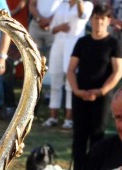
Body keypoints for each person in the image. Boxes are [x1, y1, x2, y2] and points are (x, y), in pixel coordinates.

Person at [66, 3, 122, 170]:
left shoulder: (113, 43)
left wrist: (101, 92)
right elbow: (71, 69)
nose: (99, 22)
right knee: (79, 136)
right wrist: (76, 90)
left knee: (97, 136)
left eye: (102, 19)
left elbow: (117, 72)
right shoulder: (82, 42)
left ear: (108, 21)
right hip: (80, 95)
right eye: (96, 18)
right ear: (91, 20)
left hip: (101, 97)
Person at [42, 0, 92, 129]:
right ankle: (53, 116)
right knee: (55, 80)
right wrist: (60, 27)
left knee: (71, 81)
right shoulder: (61, 5)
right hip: (58, 43)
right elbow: (52, 28)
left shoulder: (87, 5)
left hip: (74, 45)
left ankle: (69, 118)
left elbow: (83, 16)